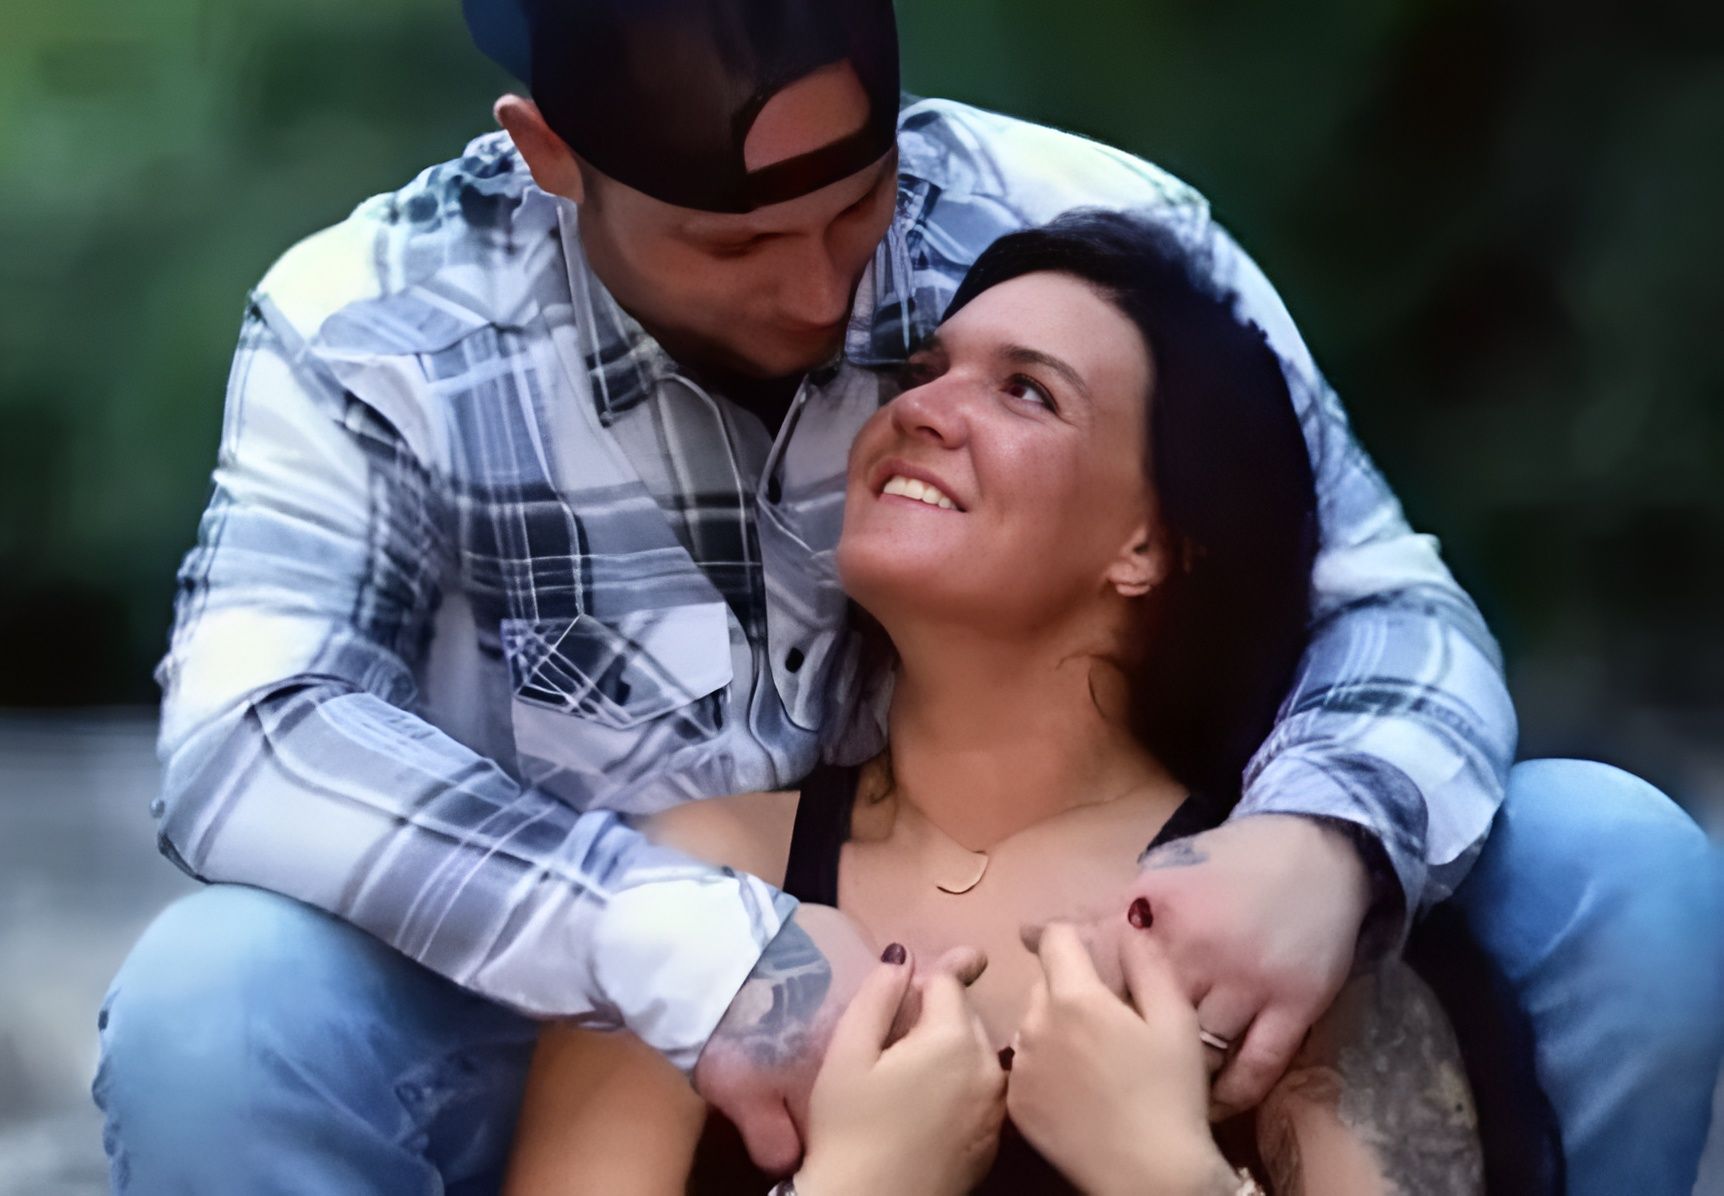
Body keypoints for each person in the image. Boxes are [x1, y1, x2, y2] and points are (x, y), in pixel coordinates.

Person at [91, 1, 1724, 1192]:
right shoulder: (373, 323)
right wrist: (706, 963)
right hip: (568, 991)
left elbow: (1375, 598)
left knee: (1606, 860)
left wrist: (1320, 843)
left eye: (853, 211)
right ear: (549, 161)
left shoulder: (1085, 235)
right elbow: (250, 734)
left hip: (1135, 937)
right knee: (218, 1002)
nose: (818, 296)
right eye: (736, 244)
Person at [500, 209, 1487, 1195]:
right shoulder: (695, 886)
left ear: (1145, 543)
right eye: (923, 370)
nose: (918, 409)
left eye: (1024, 390)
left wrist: (1157, 1169)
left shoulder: (1270, 932)